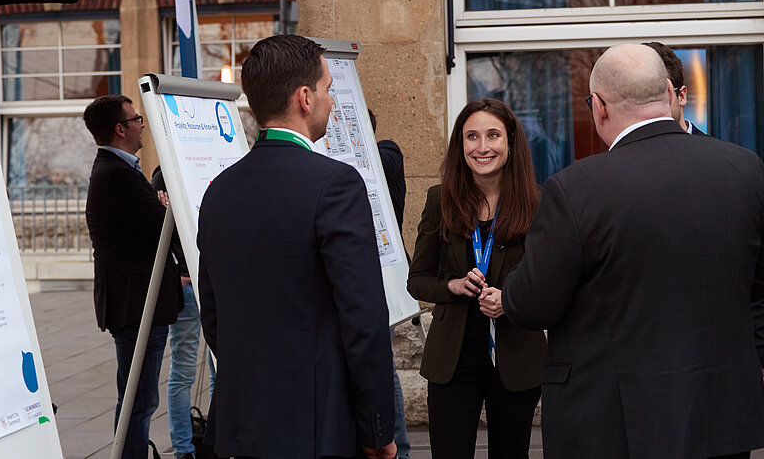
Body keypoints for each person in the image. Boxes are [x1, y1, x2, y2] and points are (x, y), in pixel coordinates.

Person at [500, 43, 764, 458]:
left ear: (600, 106)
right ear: (668, 93)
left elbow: (532, 305)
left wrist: (513, 283)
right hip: (721, 416)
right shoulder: (745, 169)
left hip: (613, 422)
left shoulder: (576, 188)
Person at [197, 34, 397, 459]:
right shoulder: (336, 185)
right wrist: (378, 429)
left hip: (240, 426)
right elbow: (363, 321)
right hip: (318, 427)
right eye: (327, 89)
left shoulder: (218, 191)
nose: (332, 102)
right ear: (305, 97)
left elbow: (213, 315)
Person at [406, 98, 547, 458]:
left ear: (511, 143)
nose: (482, 147)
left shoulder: (538, 204)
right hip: (453, 362)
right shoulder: (441, 200)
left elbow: (549, 283)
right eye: (472, 137)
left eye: (493, 135)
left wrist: (510, 299)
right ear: (461, 144)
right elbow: (417, 280)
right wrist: (451, 286)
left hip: (515, 360)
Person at [83, 95, 183, 459]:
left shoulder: (122, 170)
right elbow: (163, 226)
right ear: (120, 129)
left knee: (138, 400)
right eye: (136, 118)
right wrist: (164, 208)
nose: (143, 124)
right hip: (135, 305)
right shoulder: (116, 175)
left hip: (139, 302)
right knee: (137, 403)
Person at [150, 166, 216, 459]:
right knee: (185, 370)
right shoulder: (164, 176)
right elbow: (157, 232)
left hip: (211, 283)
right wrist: (178, 273)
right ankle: (185, 449)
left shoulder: (207, 164)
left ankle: (214, 443)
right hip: (190, 286)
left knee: (217, 370)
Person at [369, 109, 411, 459]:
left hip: (384, 281)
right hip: (360, 281)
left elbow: (383, 158)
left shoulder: (386, 152)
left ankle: (403, 449)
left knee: (383, 367)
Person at [642, 41, 706, 135]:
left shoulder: (712, 148)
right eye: (641, 97)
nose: (651, 107)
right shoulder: (626, 148)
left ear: (681, 96)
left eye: (660, 94)